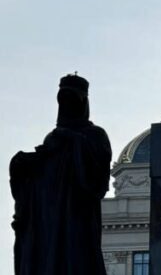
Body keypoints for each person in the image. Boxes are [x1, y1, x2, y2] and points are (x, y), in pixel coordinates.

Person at [9, 74, 111, 275]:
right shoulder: (53, 137)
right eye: (64, 101)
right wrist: (25, 164)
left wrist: (73, 141)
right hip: (50, 215)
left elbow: (97, 181)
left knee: (76, 258)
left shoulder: (95, 135)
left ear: (83, 103)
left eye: (73, 100)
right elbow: (42, 177)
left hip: (76, 215)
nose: (68, 106)